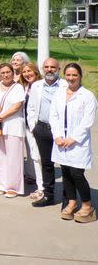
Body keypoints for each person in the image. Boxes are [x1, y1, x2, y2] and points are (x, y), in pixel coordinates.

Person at [50, 63, 96, 223]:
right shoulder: (59, 94)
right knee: (66, 173)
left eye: (74, 75)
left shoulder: (88, 96)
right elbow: (53, 116)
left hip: (77, 143)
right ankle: (71, 202)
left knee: (77, 173)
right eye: (68, 75)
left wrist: (73, 138)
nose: (71, 78)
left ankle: (87, 206)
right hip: (60, 141)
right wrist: (57, 136)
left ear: (80, 76)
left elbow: (87, 121)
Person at [27, 58, 67, 207]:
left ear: (58, 69)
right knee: (46, 164)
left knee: (65, 165)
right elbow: (31, 107)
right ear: (43, 69)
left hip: (61, 131)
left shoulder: (65, 85)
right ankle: (48, 195)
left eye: (52, 67)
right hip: (42, 129)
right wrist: (33, 127)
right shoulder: (37, 85)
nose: (49, 69)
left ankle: (67, 198)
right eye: (46, 67)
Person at [0, 63, 26, 198]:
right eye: (2, 72)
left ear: (12, 73)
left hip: (12, 125)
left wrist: (0, 117)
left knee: (14, 157)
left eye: (8, 72)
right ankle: (0, 184)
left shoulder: (18, 87)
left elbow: (16, 106)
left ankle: (13, 187)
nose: (5, 75)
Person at [21, 62, 44, 199]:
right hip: (29, 128)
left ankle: (43, 188)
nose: (27, 74)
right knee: (35, 157)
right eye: (24, 72)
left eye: (29, 71)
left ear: (36, 71)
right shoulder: (26, 87)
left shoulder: (42, 86)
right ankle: (41, 186)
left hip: (39, 128)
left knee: (40, 158)